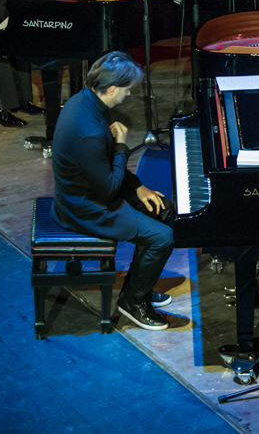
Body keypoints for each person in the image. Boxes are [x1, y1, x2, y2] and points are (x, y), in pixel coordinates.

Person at [50, 51, 176, 331]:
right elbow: (107, 189)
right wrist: (122, 145)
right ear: (110, 88)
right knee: (163, 238)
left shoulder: (86, 100)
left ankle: (137, 289)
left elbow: (101, 167)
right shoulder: (89, 131)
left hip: (93, 190)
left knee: (164, 208)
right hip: (85, 208)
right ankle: (133, 303)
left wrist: (138, 187)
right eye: (127, 88)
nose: (129, 93)